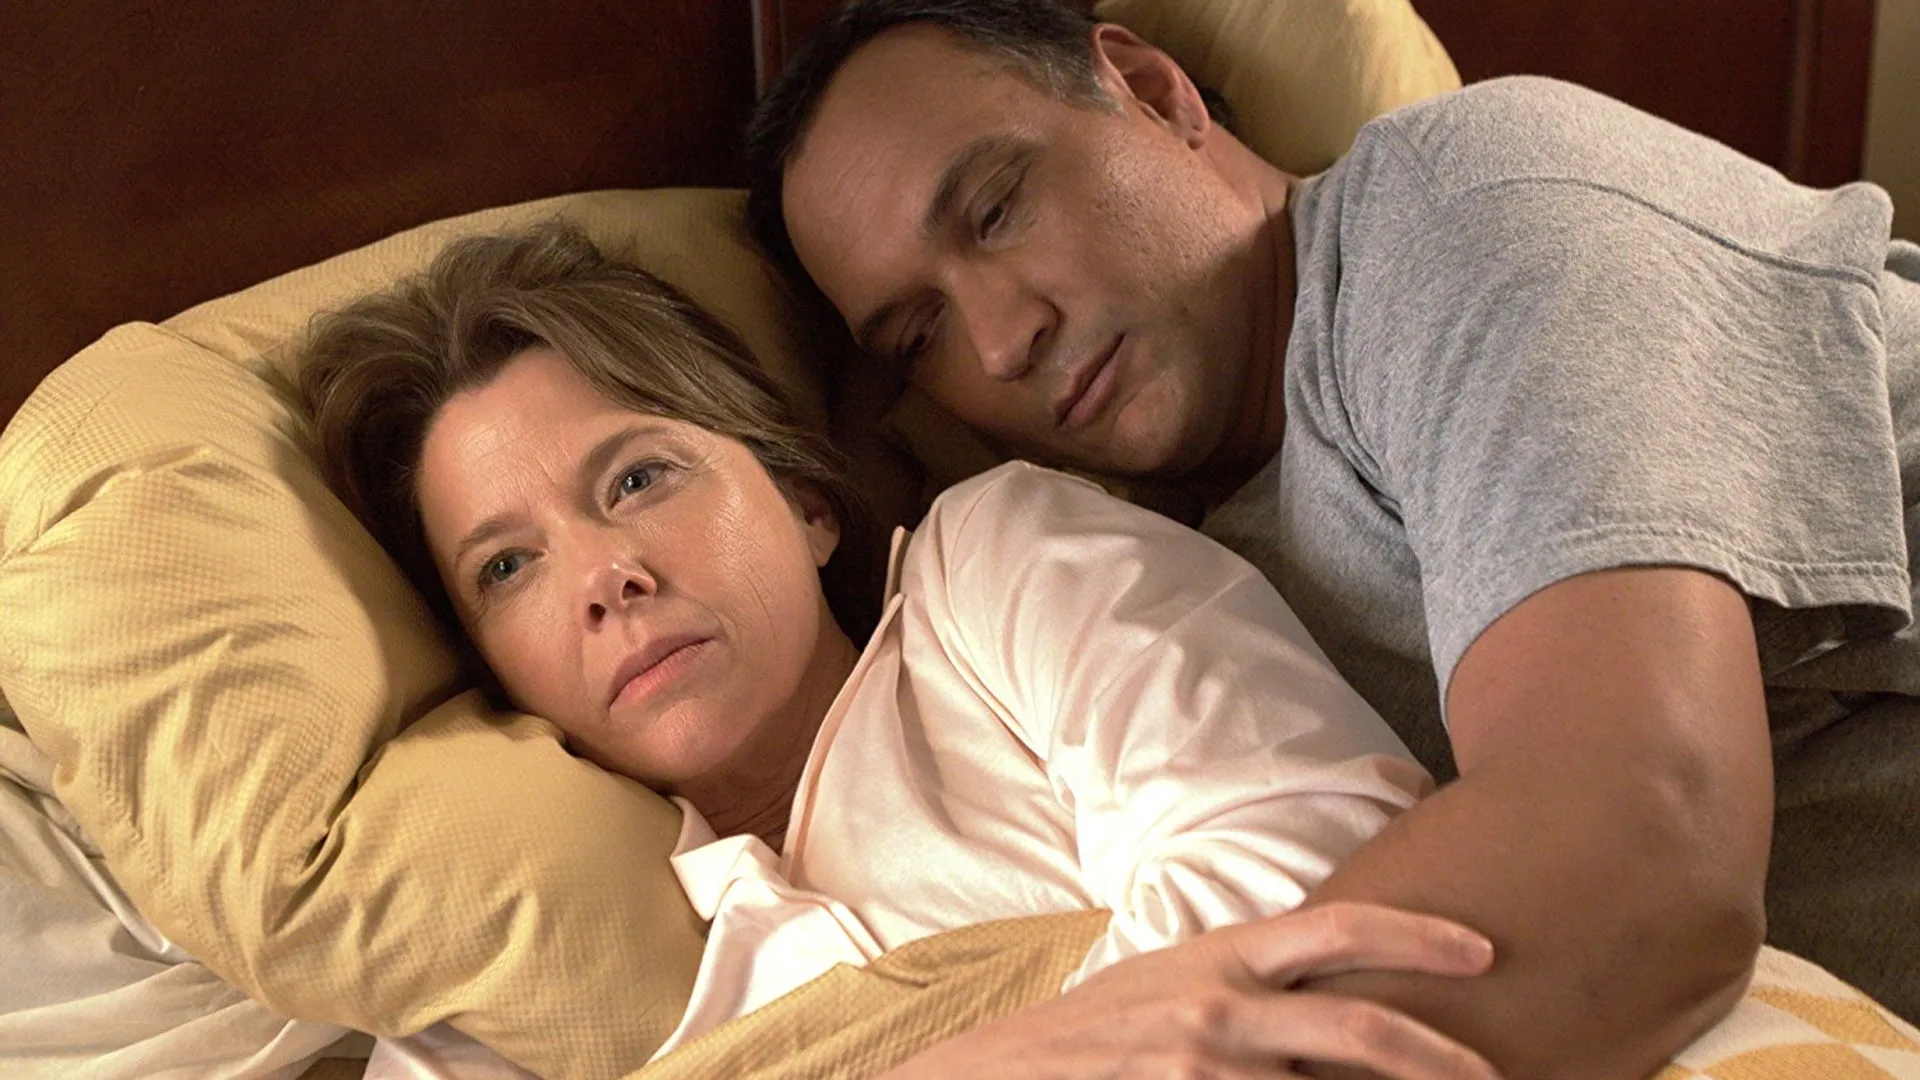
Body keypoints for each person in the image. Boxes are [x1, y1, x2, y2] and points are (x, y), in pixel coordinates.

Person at [742, 0, 1920, 1075]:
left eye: (998, 209)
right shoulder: (1137, 576)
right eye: (921, 336)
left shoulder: (1460, 207)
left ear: (1152, 92)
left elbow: (1644, 852)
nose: (1002, 341)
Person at [297, 222, 1505, 1080]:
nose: (604, 577)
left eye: (640, 478)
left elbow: (1318, 866)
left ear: (804, 502)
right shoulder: (508, 958)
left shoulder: (994, 568)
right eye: (507, 568)